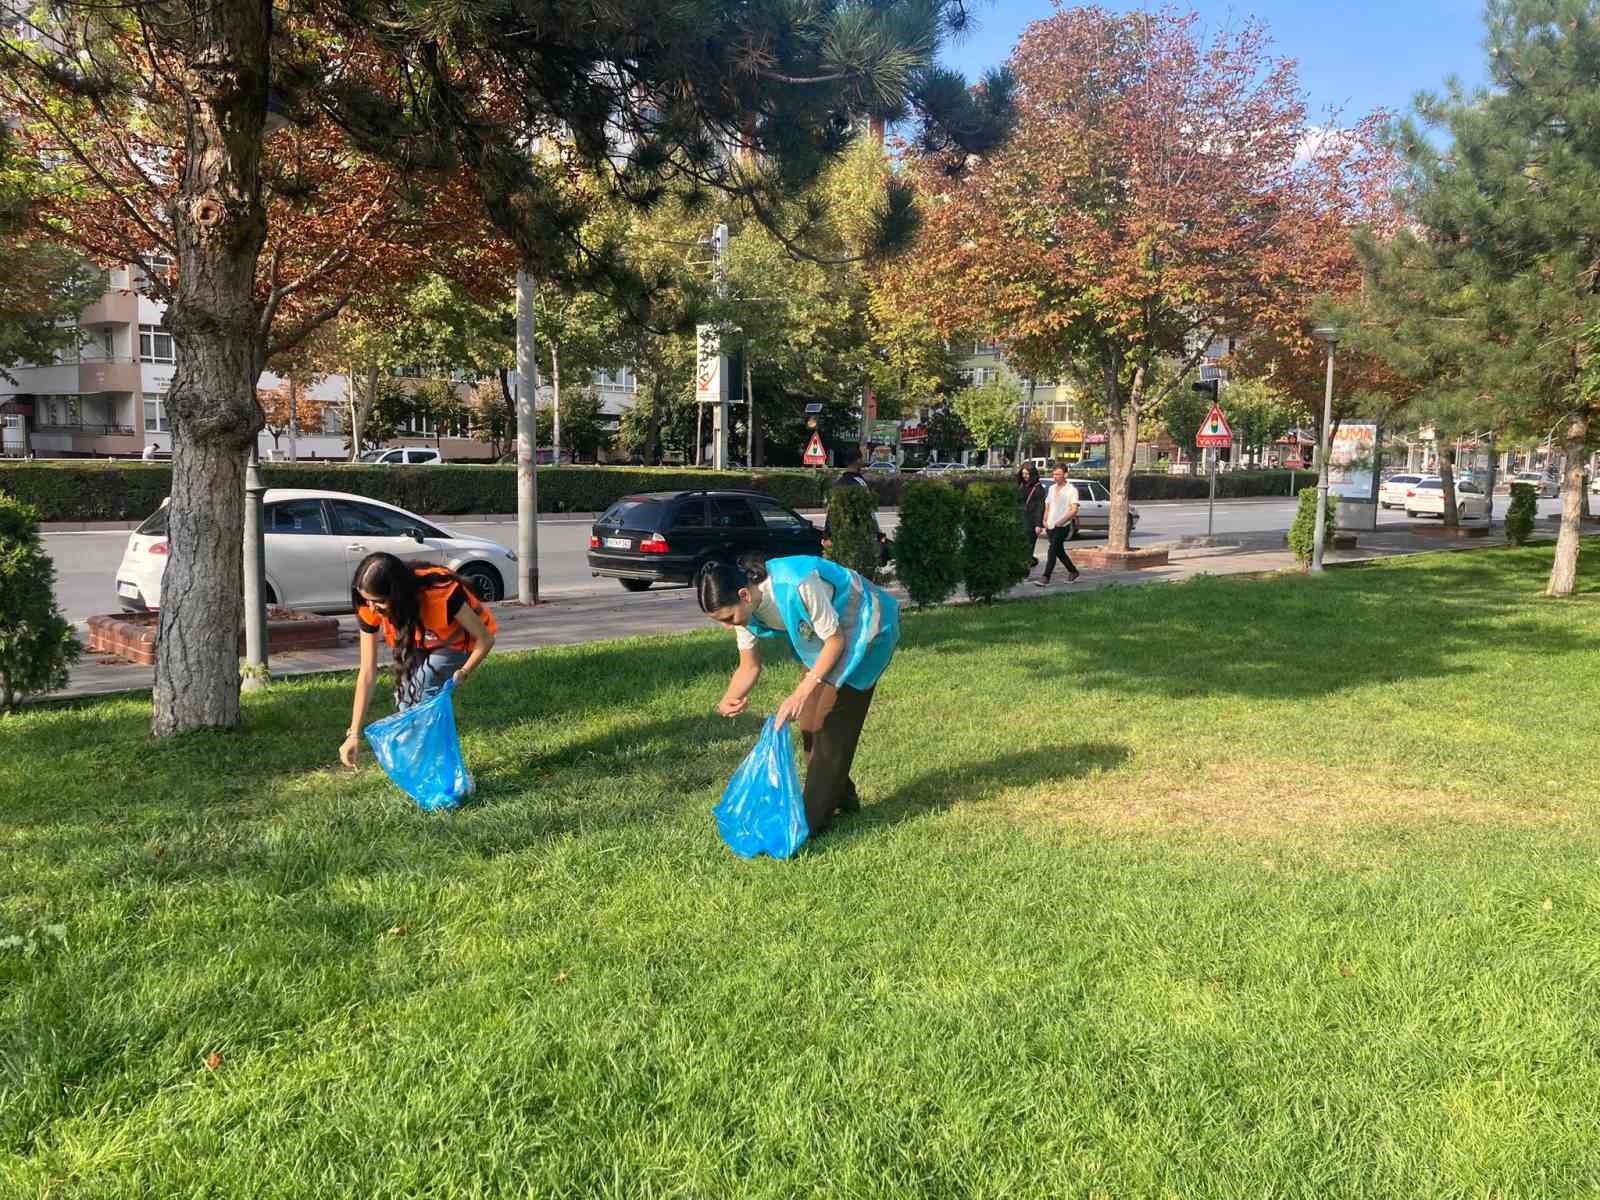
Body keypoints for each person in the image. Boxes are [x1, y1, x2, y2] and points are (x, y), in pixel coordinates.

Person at [699, 554, 900, 837]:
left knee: (829, 726)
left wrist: (799, 693)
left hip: (866, 629)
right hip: (827, 637)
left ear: (744, 594)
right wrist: (728, 698)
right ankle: (843, 798)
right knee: (809, 723)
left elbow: (836, 641)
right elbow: (749, 666)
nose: (728, 626)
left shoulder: (797, 583)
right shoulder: (745, 611)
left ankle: (809, 828)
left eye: (728, 618)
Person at [339, 553, 498, 767]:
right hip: (420, 639)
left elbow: (485, 639)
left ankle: (438, 764)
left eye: (379, 602)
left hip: (459, 640)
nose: (371, 607)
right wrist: (354, 734)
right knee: (405, 697)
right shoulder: (368, 604)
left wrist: (464, 671)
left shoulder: (440, 596)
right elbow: (367, 671)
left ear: (398, 595)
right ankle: (422, 760)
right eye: (367, 599)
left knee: (425, 684)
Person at [1035, 466, 1081, 587]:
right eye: (1054, 474)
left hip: (1062, 526)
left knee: (1052, 550)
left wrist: (1061, 521)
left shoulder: (1072, 490)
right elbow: (1048, 505)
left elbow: (1074, 510)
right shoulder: (1051, 488)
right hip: (1050, 525)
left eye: (1058, 474)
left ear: (1065, 474)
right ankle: (1073, 571)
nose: (1055, 477)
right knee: (1059, 551)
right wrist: (1044, 519)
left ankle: (1045, 577)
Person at [1017, 463, 1046, 570]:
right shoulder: (1020, 485)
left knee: (1028, 547)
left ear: (1032, 474)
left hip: (1030, 522)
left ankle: (1025, 569)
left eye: (1027, 474)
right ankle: (1030, 562)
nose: (1025, 476)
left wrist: (1038, 524)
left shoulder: (1038, 489)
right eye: (1023, 473)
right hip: (1019, 520)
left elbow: (1040, 507)